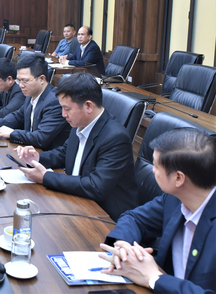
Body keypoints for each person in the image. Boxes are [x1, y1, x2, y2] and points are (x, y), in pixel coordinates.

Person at [100, 128, 215, 293]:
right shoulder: (175, 198)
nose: (152, 170)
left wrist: (154, 278)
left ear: (178, 178)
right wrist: (124, 245)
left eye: (155, 166)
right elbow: (135, 218)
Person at [14, 73, 138, 221]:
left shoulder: (115, 138)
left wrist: (46, 177)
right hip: (77, 201)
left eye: (67, 109)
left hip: (106, 217)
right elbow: (65, 152)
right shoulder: (80, 122)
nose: (63, 114)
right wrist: (37, 157)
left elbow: (95, 186)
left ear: (88, 106)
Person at [0, 53, 70, 150]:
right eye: (19, 81)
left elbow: (41, 138)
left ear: (41, 79)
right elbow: (18, 116)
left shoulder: (54, 102)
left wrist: (12, 133)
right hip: (29, 151)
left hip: (47, 158)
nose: (21, 85)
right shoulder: (31, 94)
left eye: (25, 81)